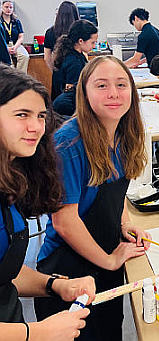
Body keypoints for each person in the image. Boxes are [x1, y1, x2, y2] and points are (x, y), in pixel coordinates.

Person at [34, 56, 152, 341]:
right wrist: (110, 261)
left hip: (105, 255)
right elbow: (65, 222)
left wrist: (123, 224)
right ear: (84, 93)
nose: (113, 93)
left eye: (121, 84)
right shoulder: (69, 143)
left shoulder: (124, 134)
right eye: (102, 85)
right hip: (69, 271)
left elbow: (114, 192)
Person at [0, 64, 96, 340]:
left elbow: (5, 273)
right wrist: (35, 332)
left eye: (41, 116)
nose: (35, 127)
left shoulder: (12, 180)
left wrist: (55, 286)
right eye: (22, 115)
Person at [52, 19, 98, 118]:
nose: (94, 46)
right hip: (67, 111)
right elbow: (72, 91)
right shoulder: (74, 62)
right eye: (92, 42)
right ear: (80, 41)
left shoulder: (76, 54)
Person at [44, 1, 80, 100]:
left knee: (59, 104)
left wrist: (55, 70)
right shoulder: (78, 32)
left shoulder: (50, 32)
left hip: (58, 73)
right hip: (75, 73)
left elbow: (47, 57)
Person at [0, 1, 29, 73]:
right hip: (3, 45)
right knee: (8, 62)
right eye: (6, 7)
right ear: (2, 7)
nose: (8, 9)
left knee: (25, 56)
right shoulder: (0, 21)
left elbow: (21, 36)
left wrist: (15, 47)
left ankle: (20, 76)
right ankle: (12, 78)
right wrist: (6, 48)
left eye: (11, 7)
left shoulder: (16, 21)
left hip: (16, 44)